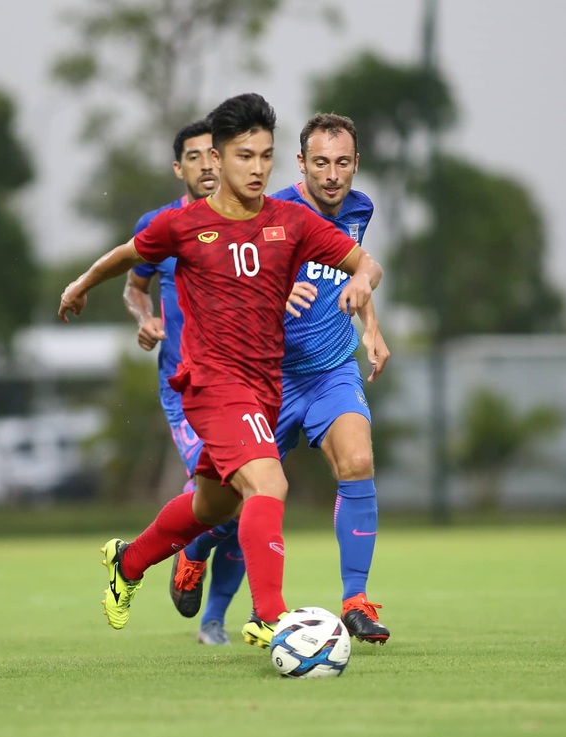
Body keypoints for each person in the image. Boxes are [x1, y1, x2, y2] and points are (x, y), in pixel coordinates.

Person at [57, 92, 383, 648]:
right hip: (212, 385)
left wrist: (362, 287)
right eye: (243, 156)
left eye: (264, 156)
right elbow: (128, 255)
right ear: (218, 159)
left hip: (265, 390)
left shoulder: (291, 222)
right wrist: (81, 285)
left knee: (213, 507)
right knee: (269, 483)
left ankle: (128, 562)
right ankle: (272, 618)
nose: (256, 168)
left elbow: (362, 260)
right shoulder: (184, 226)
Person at [169, 113, 392, 644]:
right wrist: (271, 293)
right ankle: (194, 549)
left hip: (331, 370)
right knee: (227, 506)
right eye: (321, 163)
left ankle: (356, 602)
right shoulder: (269, 212)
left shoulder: (360, 210)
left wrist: (373, 327)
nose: (333, 175)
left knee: (358, 459)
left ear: (356, 164)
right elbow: (222, 274)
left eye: (342, 163)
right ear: (301, 164)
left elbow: (362, 269)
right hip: (262, 377)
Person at [121, 119, 245, 646]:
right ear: (180, 168)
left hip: (247, 383)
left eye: (213, 155)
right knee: (236, 494)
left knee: (249, 503)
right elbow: (133, 286)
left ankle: (213, 618)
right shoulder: (162, 225)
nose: (206, 165)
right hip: (185, 390)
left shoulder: (251, 220)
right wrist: (143, 318)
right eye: (194, 157)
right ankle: (189, 553)